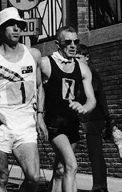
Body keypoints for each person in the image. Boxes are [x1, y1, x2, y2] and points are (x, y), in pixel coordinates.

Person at [0, 7, 46, 192]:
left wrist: (39, 115)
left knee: (33, 178)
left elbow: (39, 87)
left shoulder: (34, 55)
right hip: (2, 124)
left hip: (26, 123)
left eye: (19, 25)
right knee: (1, 178)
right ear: (0, 30)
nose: (16, 29)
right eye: (11, 25)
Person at [40, 26, 96, 192]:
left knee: (60, 170)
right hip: (53, 123)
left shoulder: (83, 68)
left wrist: (84, 107)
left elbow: (91, 99)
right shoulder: (45, 63)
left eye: (76, 42)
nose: (73, 45)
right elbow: (34, 89)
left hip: (72, 123)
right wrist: (37, 117)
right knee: (71, 165)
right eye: (68, 42)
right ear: (58, 44)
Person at [77, 44, 112, 192]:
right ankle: (100, 185)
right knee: (94, 152)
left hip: (94, 117)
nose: (76, 61)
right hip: (90, 118)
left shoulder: (90, 73)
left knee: (95, 152)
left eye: (79, 58)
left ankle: (99, 186)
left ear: (87, 57)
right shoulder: (82, 73)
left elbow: (101, 95)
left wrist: (107, 117)